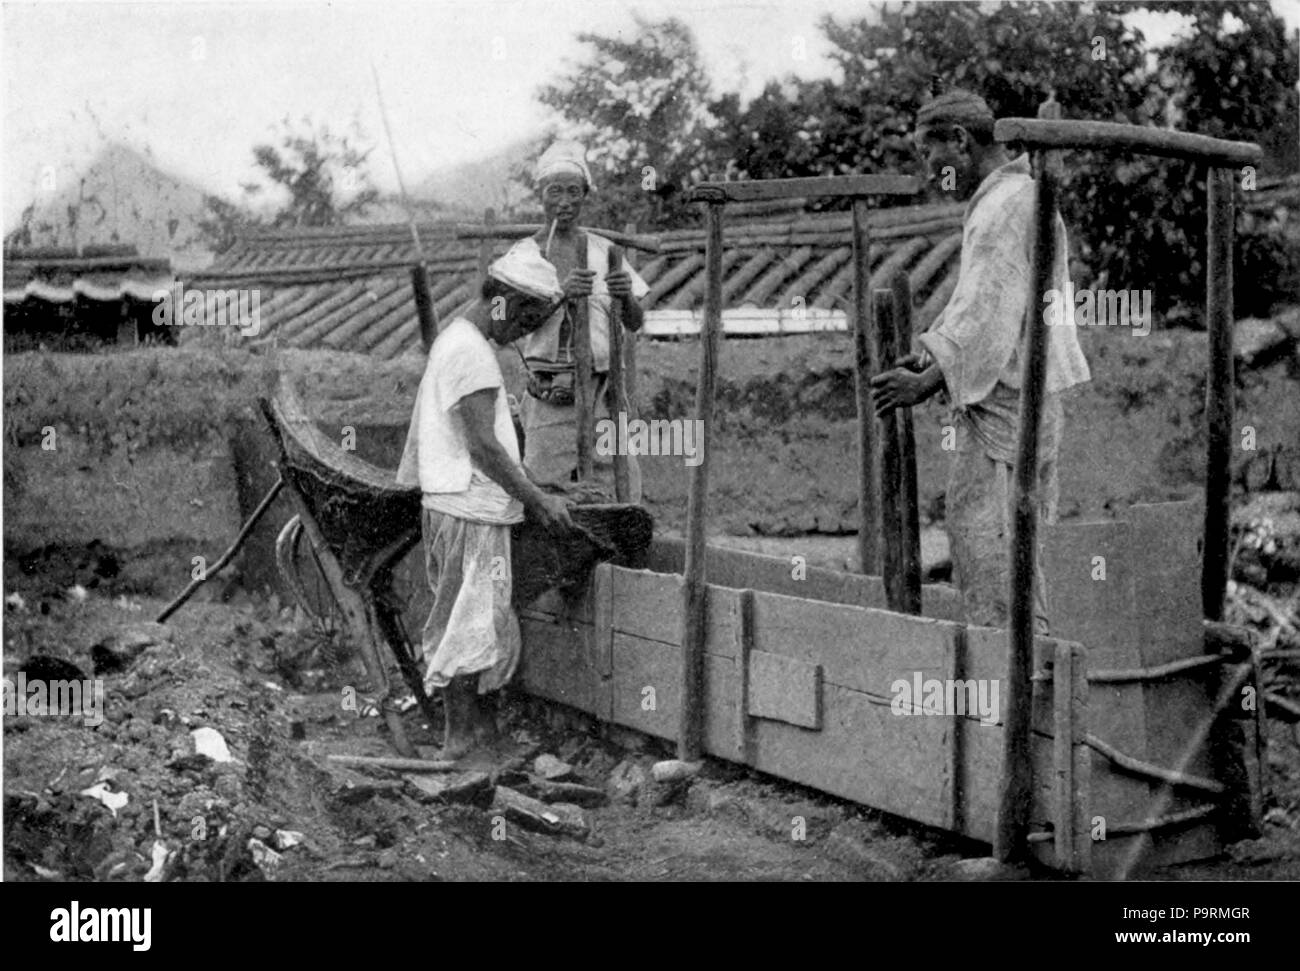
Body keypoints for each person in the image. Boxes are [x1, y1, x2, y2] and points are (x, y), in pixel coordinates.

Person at [870, 89, 1091, 633]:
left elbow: (989, 311)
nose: (929, 167)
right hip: (1025, 400)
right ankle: (1019, 661)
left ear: (961, 141)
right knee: (1017, 539)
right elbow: (985, 305)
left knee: (986, 535)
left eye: (929, 152)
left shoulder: (1006, 205)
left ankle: (1006, 671)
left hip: (1007, 406)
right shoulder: (1018, 197)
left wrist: (927, 381)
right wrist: (932, 357)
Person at [396, 247, 577, 758]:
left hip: (460, 503)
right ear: (502, 302)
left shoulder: (458, 341)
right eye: (522, 319)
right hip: (469, 506)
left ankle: (474, 734)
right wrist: (538, 500)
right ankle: (459, 739)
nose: (521, 332)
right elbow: (482, 446)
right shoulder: (470, 352)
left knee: (471, 616)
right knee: (470, 621)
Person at [505, 140, 650, 497]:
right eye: (555, 191)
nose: (565, 201)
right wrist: (560, 296)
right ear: (540, 195)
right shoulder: (525, 256)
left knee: (620, 486)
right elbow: (507, 325)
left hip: (603, 391)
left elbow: (635, 322)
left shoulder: (603, 251)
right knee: (545, 489)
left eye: (574, 191)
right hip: (553, 394)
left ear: (586, 196)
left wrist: (624, 295)